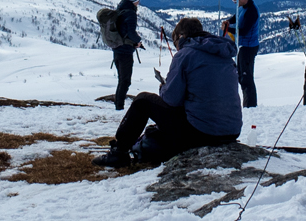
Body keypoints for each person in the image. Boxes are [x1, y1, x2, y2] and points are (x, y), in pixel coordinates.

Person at [93, 17, 242, 167]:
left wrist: (163, 87)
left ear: (181, 36)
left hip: (202, 132)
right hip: (232, 131)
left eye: (175, 41)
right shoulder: (225, 55)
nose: (176, 46)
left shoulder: (185, 55)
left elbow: (171, 99)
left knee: (142, 101)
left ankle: (119, 152)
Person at [110, 0, 143, 109]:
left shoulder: (121, 9)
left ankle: (118, 104)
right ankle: (119, 106)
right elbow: (131, 32)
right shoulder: (130, 13)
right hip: (125, 51)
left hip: (117, 49)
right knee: (125, 80)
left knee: (121, 79)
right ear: (135, 0)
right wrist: (138, 41)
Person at [229, 0, 260, 108]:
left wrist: (229, 29)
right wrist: (228, 21)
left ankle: (250, 105)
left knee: (247, 77)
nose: (235, 3)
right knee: (241, 76)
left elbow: (244, 31)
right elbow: (236, 17)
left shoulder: (252, 11)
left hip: (249, 47)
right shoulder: (243, 8)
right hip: (243, 46)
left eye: (235, 0)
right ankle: (247, 103)